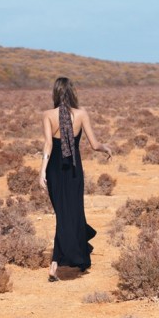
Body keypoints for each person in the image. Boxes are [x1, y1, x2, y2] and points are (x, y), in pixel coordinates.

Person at [39, 77, 112, 281]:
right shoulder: (81, 114)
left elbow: (48, 145)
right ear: (72, 92)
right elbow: (95, 145)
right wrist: (106, 148)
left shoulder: (47, 115)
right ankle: (70, 259)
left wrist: (42, 171)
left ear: (55, 93)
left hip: (55, 170)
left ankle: (60, 263)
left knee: (63, 215)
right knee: (73, 213)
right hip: (73, 171)